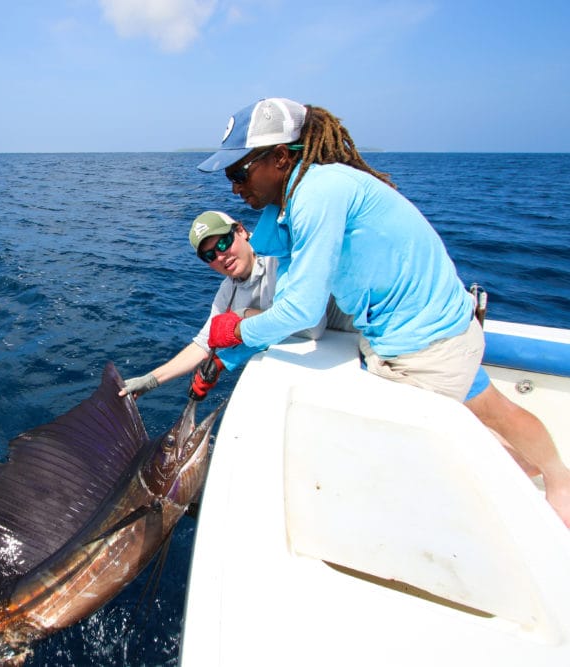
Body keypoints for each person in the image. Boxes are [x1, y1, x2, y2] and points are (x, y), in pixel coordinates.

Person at [194, 96, 570, 528]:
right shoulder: (298, 197)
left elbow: (301, 309)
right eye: (228, 176)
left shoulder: (317, 194)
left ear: (280, 157)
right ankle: (527, 469)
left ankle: (558, 480)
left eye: (239, 172)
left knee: (471, 420)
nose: (234, 187)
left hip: (426, 339)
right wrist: (231, 350)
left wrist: (235, 334)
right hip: (401, 334)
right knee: (479, 409)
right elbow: (277, 261)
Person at [119, 209, 334, 400]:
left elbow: (311, 326)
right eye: (209, 255)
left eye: (223, 243)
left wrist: (242, 318)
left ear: (240, 231)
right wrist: (150, 381)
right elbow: (204, 343)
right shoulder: (227, 291)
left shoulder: (279, 257)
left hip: (347, 334)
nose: (221, 256)